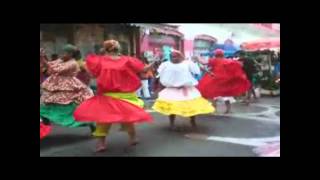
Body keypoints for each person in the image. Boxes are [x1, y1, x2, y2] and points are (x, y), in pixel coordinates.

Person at [74, 40, 155, 152]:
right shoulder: (126, 60)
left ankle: (102, 143)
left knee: (103, 120)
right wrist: (153, 63)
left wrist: (84, 67)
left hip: (112, 95)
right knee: (127, 118)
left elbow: (93, 75)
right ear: (118, 49)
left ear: (105, 49)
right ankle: (132, 138)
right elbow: (143, 69)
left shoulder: (101, 61)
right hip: (120, 95)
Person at [152, 50, 215, 130]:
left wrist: (209, 72)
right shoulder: (165, 64)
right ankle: (172, 124)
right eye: (171, 56)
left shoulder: (187, 63)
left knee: (192, 106)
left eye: (175, 56)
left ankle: (192, 121)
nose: (173, 58)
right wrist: (157, 88)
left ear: (180, 56)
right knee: (171, 107)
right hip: (172, 90)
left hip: (187, 90)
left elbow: (199, 69)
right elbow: (159, 76)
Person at [40, 44, 95, 131]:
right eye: (62, 52)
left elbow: (55, 70)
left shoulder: (72, 63)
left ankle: (90, 124)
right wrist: (42, 58)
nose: (62, 54)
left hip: (68, 85)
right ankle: (46, 122)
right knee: (47, 103)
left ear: (71, 54)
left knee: (69, 106)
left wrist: (43, 58)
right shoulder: (60, 60)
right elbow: (49, 66)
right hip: (56, 85)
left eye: (65, 53)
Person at [196, 49, 251, 114]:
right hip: (225, 80)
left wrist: (198, 57)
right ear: (222, 54)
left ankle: (214, 109)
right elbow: (238, 65)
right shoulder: (227, 60)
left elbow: (203, 62)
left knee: (212, 94)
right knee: (226, 95)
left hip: (215, 80)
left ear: (215, 55)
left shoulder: (214, 60)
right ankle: (228, 109)